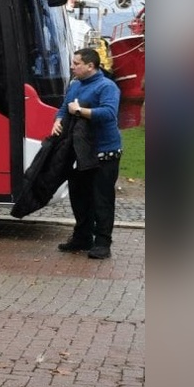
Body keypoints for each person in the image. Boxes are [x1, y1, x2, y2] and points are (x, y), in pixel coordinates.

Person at [52, 47, 122, 259]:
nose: (72, 67)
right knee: (79, 196)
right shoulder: (74, 85)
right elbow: (65, 107)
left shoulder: (107, 87)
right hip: (79, 152)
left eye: (76, 63)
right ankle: (82, 237)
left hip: (104, 152)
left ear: (90, 66)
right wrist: (57, 120)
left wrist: (80, 111)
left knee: (102, 198)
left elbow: (109, 113)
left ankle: (103, 242)